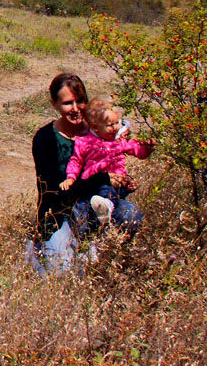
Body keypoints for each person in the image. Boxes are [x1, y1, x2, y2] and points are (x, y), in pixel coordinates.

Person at [31, 73, 142, 273]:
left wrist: (121, 182)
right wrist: (101, 179)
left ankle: (110, 259)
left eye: (80, 101)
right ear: (54, 104)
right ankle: (49, 249)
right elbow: (53, 189)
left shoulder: (100, 130)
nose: (75, 109)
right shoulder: (45, 138)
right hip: (62, 212)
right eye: (67, 103)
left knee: (130, 214)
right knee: (59, 272)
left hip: (100, 205)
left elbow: (115, 163)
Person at [60, 97, 154, 225]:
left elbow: (137, 150)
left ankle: (107, 209)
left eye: (118, 122)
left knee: (116, 194)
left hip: (118, 184)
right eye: (110, 125)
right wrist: (71, 177)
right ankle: (104, 209)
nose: (116, 127)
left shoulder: (119, 141)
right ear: (95, 127)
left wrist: (147, 147)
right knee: (103, 190)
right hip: (96, 184)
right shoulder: (85, 142)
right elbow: (76, 161)